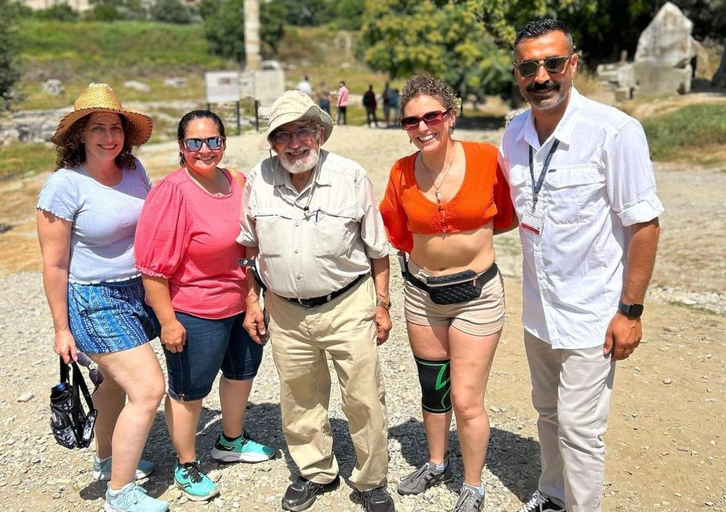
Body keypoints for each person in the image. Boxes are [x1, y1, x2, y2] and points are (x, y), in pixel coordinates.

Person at [499, 19, 663, 512]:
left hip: (592, 313)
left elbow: (644, 225)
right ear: (517, 72)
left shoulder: (614, 132)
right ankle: (552, 495)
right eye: (529, 66)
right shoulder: (513, 132)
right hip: (538, 312)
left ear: (573, 64)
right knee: (547, 413)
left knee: (579, 428)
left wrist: (629, 312)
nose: (541, 76)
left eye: (553, 63)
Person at [237, 90, 395, 512]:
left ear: (321, 134)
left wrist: (382, 304)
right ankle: (314, 470)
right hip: (285, 311)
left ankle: (371, 480)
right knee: (299, 396)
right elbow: (248, 249)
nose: (294, 142)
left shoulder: (351, 176)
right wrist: (253, 302)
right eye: (282, 135)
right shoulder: (258, 179)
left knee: (363, 397)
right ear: (272, 143)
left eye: (303, 131)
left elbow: (378, 249)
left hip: (348, 304)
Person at [379, 74, 515, 512]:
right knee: (433, 389)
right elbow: (395, 231)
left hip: (477, 294)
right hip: (421, 295)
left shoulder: (486, 158)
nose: (422, 127)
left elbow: (507, 215)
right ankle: (436, 463)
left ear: (450, 117)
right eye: (411, 121)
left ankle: (473, 485)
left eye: (431, 116)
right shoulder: (400, 172)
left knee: (465, 398)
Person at [36, 83, 168, 512]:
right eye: (98, 127)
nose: (108, 136)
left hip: (138, 291)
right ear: (79, 135)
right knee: (148, 389)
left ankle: (108, 459)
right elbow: (54, 265)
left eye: (115, 127)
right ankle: (119, 494)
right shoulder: (64, 186)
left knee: (113, 382)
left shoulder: (134, 170)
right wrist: (61, 328)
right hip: (94, 299)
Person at [134, 110, 275, 502]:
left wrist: (252, 300)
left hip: (239, 303)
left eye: (213, 140)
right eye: (194, 142)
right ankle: (186, 463)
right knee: (189, 391)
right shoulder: (172, 192)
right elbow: (152, 267)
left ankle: (231, 441)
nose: (205, 149)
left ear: (224, 143)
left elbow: (248, 247)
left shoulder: (237, 182)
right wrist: (167, 321)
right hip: (193, 311)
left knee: (241, 373)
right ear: (182, 147)